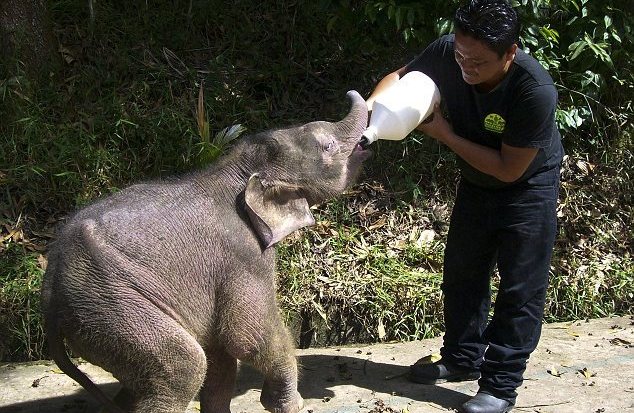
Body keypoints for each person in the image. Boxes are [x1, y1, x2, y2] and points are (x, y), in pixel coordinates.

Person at [365, 1, 563, 412]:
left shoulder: (534, 90)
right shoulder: (448, 52)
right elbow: (399, 78)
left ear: (510, 52)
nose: (465, 66)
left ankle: (500, 387)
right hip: (477, 182)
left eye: (478, 61)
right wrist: (370, 111)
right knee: (462, 272)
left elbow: (509, 169)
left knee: (520, 289)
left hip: (526, 186)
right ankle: (461, 359)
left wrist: (444, 134)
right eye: (460, 55)